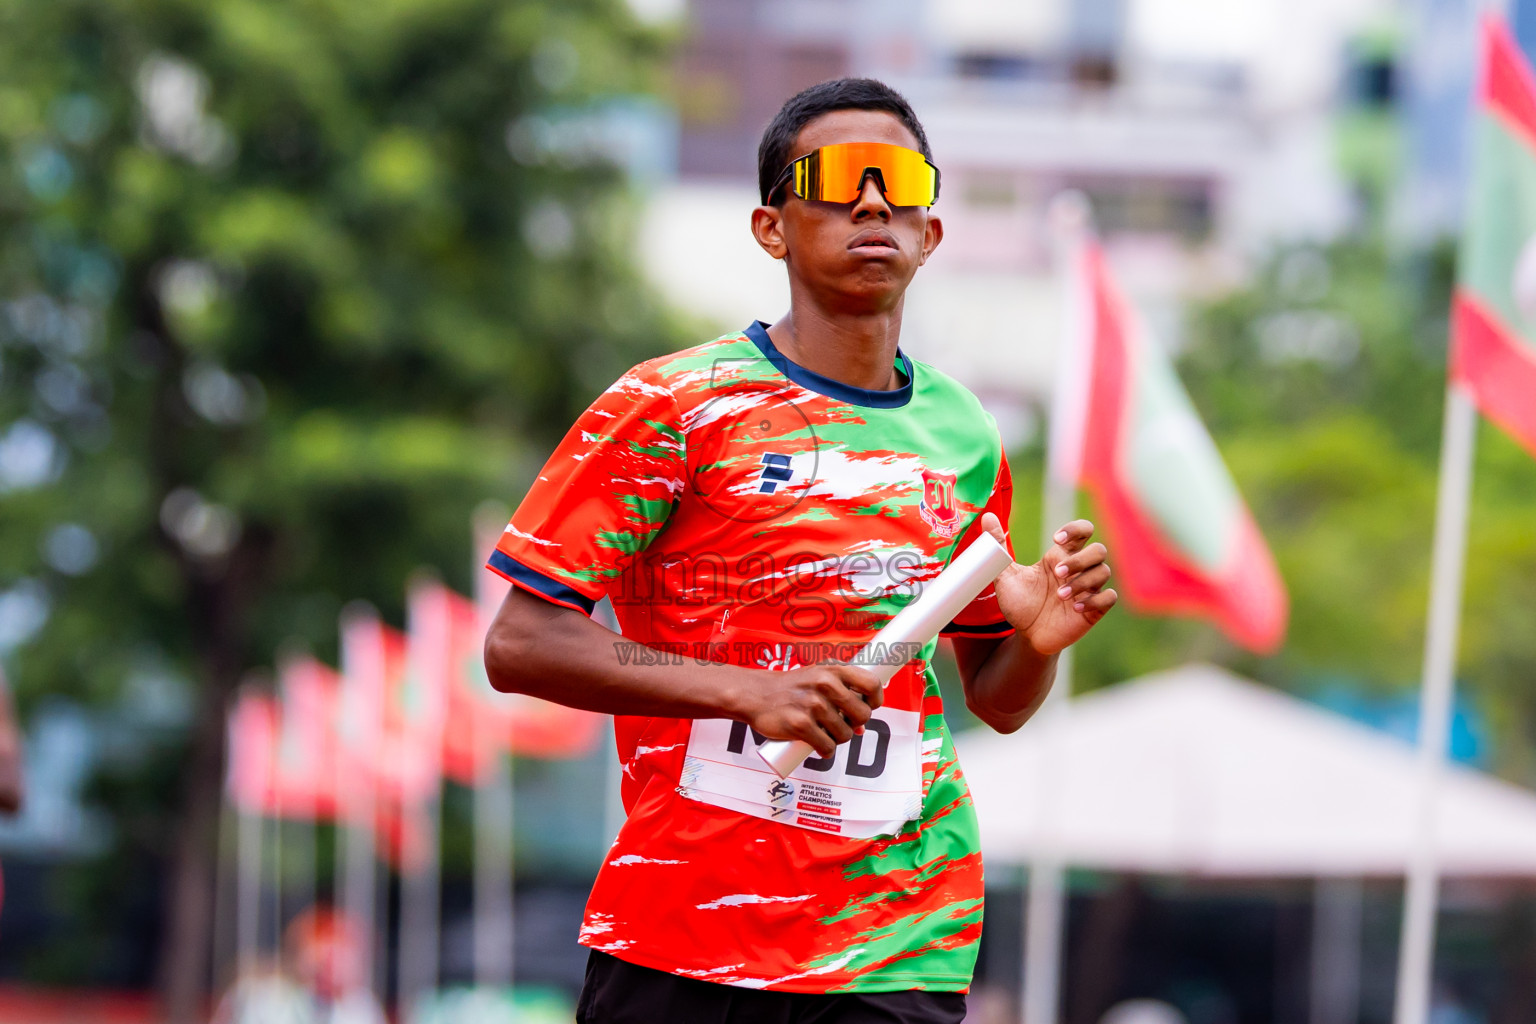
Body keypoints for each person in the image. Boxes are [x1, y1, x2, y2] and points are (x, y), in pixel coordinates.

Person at [484, 78, 1116, 1022]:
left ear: (931, 233)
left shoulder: (965, 435)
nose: (873, 204)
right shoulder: (672, 406)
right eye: (839, 179)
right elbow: (520, 644)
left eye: (901, 183)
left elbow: (996, 698)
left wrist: (1042, 642)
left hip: (898, 934)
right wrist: (751, 692)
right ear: (771, 228)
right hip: (687, 928)